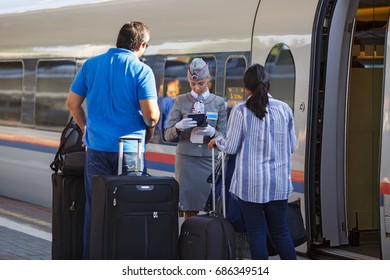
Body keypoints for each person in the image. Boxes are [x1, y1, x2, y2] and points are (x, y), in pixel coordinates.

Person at [66, 21, 160, 259]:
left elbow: (72, 104)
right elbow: (151, 114)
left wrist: (86, 128)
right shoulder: (141, 70)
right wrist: (152, 122)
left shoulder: (91, 65)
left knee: (96, 207)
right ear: (141, 45)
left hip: (96, 150)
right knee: (130, 207)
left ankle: (93, 259)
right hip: (129, 151)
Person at [208, 64, 297, 260]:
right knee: (281, 232)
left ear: (246, 87)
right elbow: (292, 145)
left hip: (251, 185)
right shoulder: (285, 110)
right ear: (268, 84)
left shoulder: (241, 110)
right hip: (278, 183)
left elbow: (230, 147)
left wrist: (217, 141)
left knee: (256, 233)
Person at [164, 58, 227, 220]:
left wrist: (213, 131)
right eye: (193, 84)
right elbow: (167, 134)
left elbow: (224, 137)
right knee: (189, 208)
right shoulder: (181, 100)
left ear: (208, 79)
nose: (197, 88)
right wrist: (179, 127)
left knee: (212, 207)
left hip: (209, 160)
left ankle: (207, 241)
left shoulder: (219, 103)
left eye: (200, 83)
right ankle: (189, 241)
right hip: (186, 161)